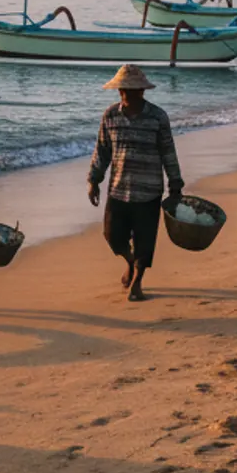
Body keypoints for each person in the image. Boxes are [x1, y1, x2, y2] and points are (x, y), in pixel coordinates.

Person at [87, 64, 184, 302]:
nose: (128, 94)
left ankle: (137, 282)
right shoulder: (110, 116)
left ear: (142, 91)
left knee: (145, 239)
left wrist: (176, 184)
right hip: (118, 189)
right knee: (113, 236)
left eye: (133, 90)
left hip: (149, 190)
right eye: (124, 90)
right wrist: (93, 179)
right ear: (119, 92)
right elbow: (102, 150)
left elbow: (168, 151)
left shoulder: (158, 117)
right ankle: (130, 262)